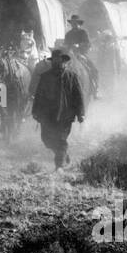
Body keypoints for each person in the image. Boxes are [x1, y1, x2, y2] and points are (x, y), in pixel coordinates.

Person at [31, 39, 89, 170]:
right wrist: (35, 111)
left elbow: (78, 96)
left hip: (65, 114)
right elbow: (39, 95)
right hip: (47, 114)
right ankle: (63, 155)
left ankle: (59, 166)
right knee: (46, 139)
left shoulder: (72, 77)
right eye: (55, 60)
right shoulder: (45, 76)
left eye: (60, 60)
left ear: (64, 61)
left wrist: (81, 113)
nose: (57, 62)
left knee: (61, 139)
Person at [64, 13, 100, 99]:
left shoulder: (83, 33)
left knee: (94, 70)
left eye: (75, 23)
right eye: (72, 23)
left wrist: (79, 46)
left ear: (79, 23)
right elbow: (66, 44)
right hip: (69, 55)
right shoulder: (68, 34)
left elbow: (88, 44)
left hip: (81, 54)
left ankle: (95, 89)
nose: (74, 24)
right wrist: (66, 47)